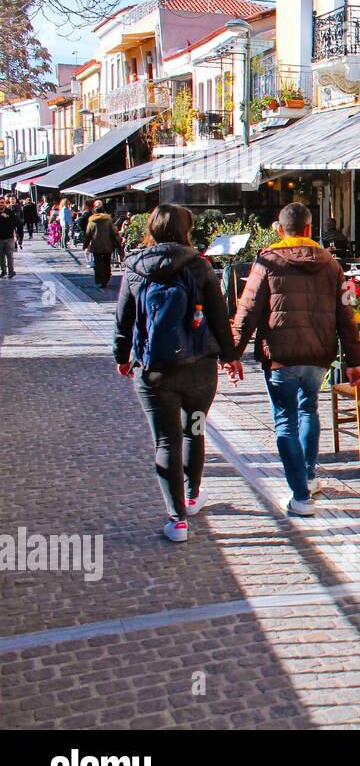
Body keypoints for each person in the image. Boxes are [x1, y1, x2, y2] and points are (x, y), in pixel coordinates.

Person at [113, 204, 242, 543]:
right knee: (194, 430)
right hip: (200, 372)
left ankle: (177, 519)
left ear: (151, 228)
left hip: (154, 371)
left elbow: (123, 320)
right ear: (187, 229)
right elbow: (219, 316)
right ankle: (193, 494)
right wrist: (230, 357)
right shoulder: (200, 267)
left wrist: (122, 356)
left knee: (166, 440)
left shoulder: (134, 267)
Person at [230, 202, 360, 516]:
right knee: (309, 409)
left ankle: (301, 497)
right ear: (309, 229)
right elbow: (348, 312)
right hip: (319, 354)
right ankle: (309, 474)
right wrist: (354, 360)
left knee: (285, 421)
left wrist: (232, 354)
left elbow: (247, 312)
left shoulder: (267, 262)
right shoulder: (332, 263)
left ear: (280, 229)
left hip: (281, 354)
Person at [84, 199, 122, 289]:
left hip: (96, 246)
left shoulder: (91, 221)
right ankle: (106, 279)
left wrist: (85, 245)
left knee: (98, 264)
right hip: (107, 245)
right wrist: (116, 243)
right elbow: (112, 233)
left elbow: (88, 234)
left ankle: (100, 281)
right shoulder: (108, 220)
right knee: (106, 263)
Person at [0, 199, 17, 278]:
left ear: (5, 203)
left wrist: (7, 217)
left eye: (2, 203)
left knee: (9, 255)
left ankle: (11, 271)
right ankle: (3, 271)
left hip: (9, 238)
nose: (0, 204)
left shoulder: (9, 212)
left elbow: (14, 223)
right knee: (1, 256)